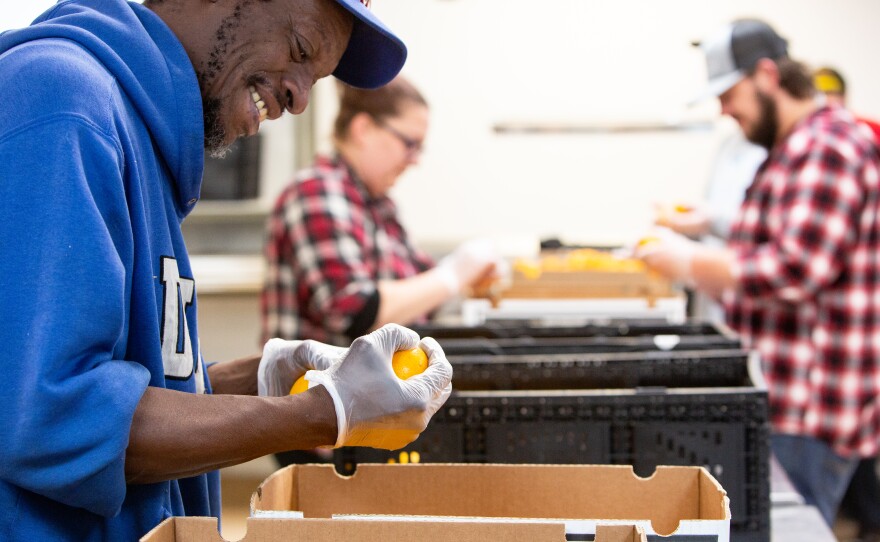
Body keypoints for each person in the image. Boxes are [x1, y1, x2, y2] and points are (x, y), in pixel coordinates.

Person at [0, 0, 453, 540]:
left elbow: (123, 383)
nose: (300, 99)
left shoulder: (143, 143)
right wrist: (320, 412)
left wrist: (260, 380)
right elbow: (54, 418)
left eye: (316, 78)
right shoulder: (62, 101)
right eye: (300, 50)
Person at [635, 19, 880, 528]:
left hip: (810, 409)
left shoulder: (826, 148)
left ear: (767, 75)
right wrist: (709, 224)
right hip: (793, 399)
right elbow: (783, 231)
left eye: (730, 93)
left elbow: (796, 269)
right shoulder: (795, 147)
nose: (725, 110)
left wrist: (688, 261)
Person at [262, 76, 504, 348]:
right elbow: (355, 314)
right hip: (316, 387)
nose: (415, 160)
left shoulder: (378, 204)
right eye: (409, 144)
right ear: (363, 129)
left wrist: (468, 277)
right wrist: (455, 274)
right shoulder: (315, 192)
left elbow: (421, 293)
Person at [812, 65, 880, 542]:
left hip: (860, 312)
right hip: (854, 314)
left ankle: (869, 518)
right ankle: (864, 515)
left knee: (853, 434)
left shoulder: (854, 139)